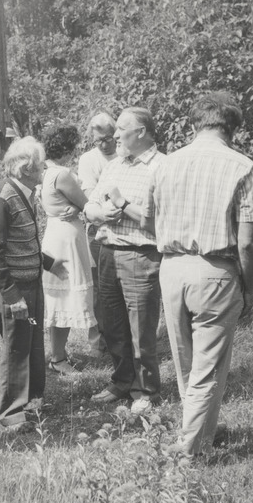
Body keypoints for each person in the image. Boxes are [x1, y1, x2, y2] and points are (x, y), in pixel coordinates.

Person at [141, 91, 253, 458]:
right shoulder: (242, 166)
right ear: (231, 129)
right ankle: (190, 450)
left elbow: (149, 220)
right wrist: (249, 285)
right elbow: (248, 243)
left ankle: (200, 429)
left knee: (186, 360)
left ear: (196, 123)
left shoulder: (164, 164)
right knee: (209, 366)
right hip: (216, 269)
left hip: (171, 267)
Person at [84, 107, 165, 413]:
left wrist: (122, 204)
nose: (115, 135)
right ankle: (121, 381)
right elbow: (90, 206)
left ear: (141, 132)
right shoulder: (114, 165)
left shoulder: (162, 167)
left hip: (140, 254)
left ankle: (145, 390)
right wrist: (100, 213)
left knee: (140, 327)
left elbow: (160, 222)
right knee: (113, 324)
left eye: (121, 129)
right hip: (107, 251)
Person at [0, 136, 65, 433]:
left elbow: (21, 241)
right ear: (26, 167)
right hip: (14, 288)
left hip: (31, 283)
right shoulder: (3, 197)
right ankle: (9, 414)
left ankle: (32, 402)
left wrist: (47, 262)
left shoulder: (23, 192)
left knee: (32, 345)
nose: (44, 169)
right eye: (40, 164)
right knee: (16, 348)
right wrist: (11, 294)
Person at [39, 124, 96, 375]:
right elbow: (87, 203)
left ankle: (58, 355)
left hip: (55, 232)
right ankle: (58, 357)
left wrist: (75, 206)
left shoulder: (44, 171)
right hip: (66, 236)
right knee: (65, 295)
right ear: (67, 148)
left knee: (60, 297)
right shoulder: (62, 174)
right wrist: (80, 206)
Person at [78, 112, 118, 355]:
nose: (104, 144)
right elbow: (90, 196)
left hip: (123, 228)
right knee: (99, 289)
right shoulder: (89, 159)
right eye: (98, 140)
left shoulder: (126, 154)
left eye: (108, 138)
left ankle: (120, 339)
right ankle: (98, 342)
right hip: (98, 230)